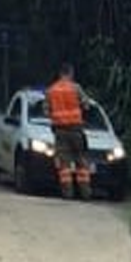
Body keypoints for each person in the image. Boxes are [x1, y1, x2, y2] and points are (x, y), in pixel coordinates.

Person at [45, 63, 91, 200]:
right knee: (81, 161)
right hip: (76, 130)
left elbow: (46, 111)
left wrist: (56, 117)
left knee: (64, 164)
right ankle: (85, 193)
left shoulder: (51, 90)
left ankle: (67, 193)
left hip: (60, 131)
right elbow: (86, 105)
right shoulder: (76, 88)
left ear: (60, 74)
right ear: (70, 73)